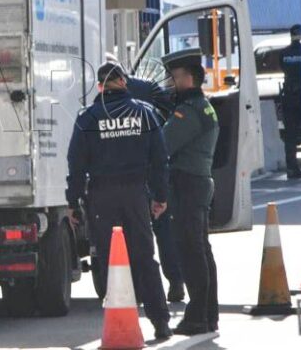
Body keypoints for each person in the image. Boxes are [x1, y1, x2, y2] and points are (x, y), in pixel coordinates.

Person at [66, 62, 172, 340]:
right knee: (144, 258)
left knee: (110, 259)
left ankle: (119, 321)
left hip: (101, 197)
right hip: (136, 194)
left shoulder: (88, 117)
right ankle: (160, 321)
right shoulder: (145, 113)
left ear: (100, 87)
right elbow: (160, 160)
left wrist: (73, 202)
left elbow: (75, 164)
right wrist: (160, 196)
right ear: (124, 82)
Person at [160, 48, 219, 335]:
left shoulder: (189, 111)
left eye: (174, 77)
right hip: (197, 183)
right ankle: (208, 315)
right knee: (201, 250)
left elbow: (163, 144)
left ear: (189, 78)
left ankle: (197, 317)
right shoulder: (202, 106)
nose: (171, 83)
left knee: (191, 252)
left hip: (187, 185)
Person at [126, 75, 185, 303]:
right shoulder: (147, 90)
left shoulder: (100, 98)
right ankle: (175, 281)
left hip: (126, 179)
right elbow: (167, 113)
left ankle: (138, 288)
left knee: (133, 236)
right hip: (152, 172)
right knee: (164, 231)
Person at [279, 24, 301, 180]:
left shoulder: (283, 53)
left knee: (290, 135)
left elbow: (284, 69)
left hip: (289, 96)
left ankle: (291, 168)